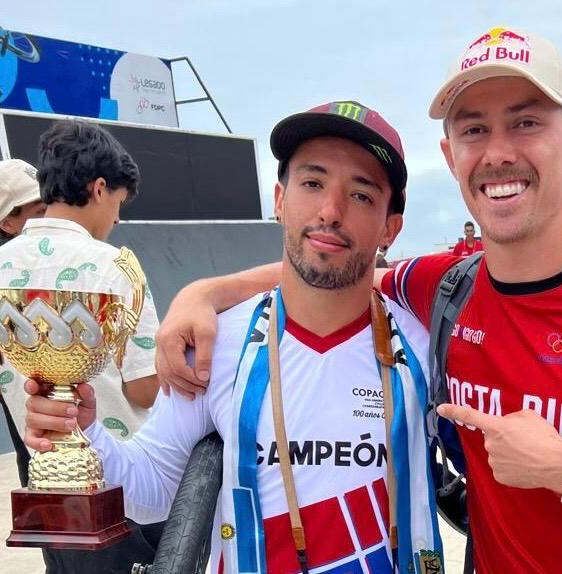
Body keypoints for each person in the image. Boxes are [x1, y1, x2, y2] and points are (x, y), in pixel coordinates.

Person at [153, 29, 562, 574]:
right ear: (450, 155)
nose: (497, 151)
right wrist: (202, 294)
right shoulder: (443, 287)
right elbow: (332, 264)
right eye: (474, 129)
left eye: (525, 122)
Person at [23, 102, 444, 574]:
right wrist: (84, 431)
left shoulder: (428, 345)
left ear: (391, 226)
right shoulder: (216, 342)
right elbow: (151, 491)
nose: (330, 211)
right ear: (281, 199)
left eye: (362, 195)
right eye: (313, 183)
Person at [0, 121, 163, 574]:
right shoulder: (116, 266)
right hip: (124, 486)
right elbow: (144, 389)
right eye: (120, 204)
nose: (117, 219)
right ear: (101, 188)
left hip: (50, 492)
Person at [0, 158, 47, 487]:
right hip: (40, 461)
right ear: (7, 224)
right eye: (38, 212)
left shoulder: (84, 264)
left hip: (116, 453)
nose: (52, 218)